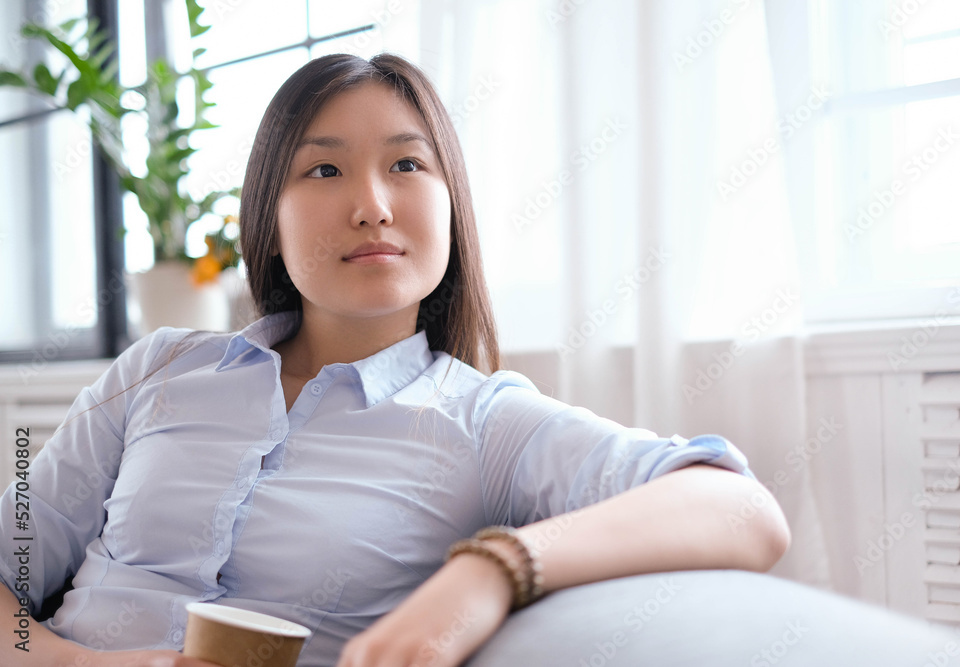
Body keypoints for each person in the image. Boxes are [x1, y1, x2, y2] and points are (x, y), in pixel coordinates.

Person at [0, 52, 793, 666]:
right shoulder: (158, 370)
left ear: (453, 207)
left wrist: (491, 569)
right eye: (324, 168)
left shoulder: (486, 422)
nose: (372, 204)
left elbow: (743, 512)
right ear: (267, 216)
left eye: (408, 165)